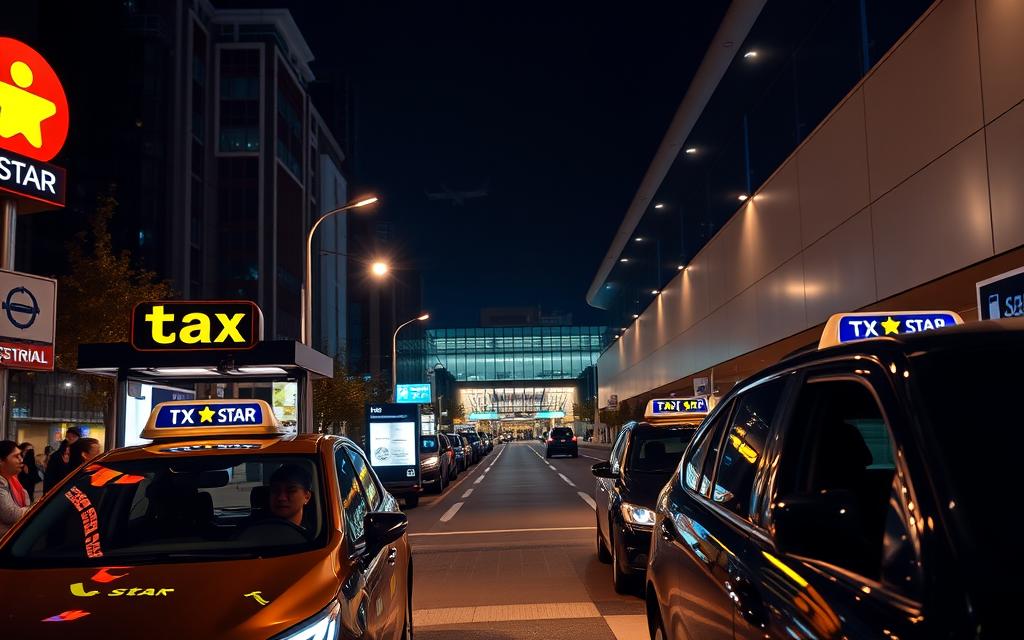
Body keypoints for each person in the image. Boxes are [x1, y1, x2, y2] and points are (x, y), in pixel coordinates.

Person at [0, 440, 29, 536]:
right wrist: (34, 508)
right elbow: (10, 514)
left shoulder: (12, 480)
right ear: (1, 460)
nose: (21, 460)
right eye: (16, 456)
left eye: (21, 455)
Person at [43, 427, 81, 493]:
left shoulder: (80, 455)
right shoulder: (56, 456)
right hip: (57, 490)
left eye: (74, 436)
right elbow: (49, 477)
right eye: (69, 436)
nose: (71, 439)